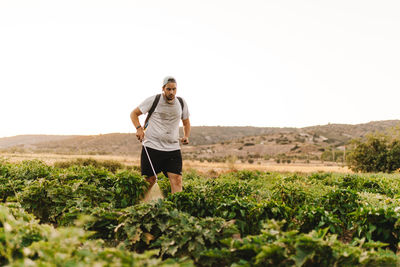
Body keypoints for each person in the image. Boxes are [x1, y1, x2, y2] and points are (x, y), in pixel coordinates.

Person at [130, 76, 191, 194]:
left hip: (172, 148)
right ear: (163, 88)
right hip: (152, 147)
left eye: (174, 89)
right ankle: (142, 208)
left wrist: (186, 136)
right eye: (168, 89)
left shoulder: (181, 103)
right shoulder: (154, 100)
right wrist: (139, 129)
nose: (171, 92)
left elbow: (186, 122)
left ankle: (177, 210)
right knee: (149, 181)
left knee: (177, 180)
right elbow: (134, 114)